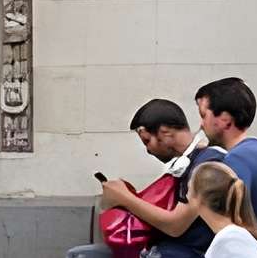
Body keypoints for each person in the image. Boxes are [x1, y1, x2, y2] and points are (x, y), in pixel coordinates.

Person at [87, 98, 225, 258]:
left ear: (165, 132)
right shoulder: (190, 164)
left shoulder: (206, 164)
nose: (148, 150)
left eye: (147, 141)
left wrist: (124, 198)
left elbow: (176, 225)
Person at [194, 79, 257, 258]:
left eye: (203, 115)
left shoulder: (236, 162)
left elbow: (235, 222)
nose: (201, 124)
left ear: (225, 120)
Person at [189, 162, 257, 258]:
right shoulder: (232, 236)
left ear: (198, 198)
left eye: (188, 189)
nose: (185, 195)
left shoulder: (229, 240)